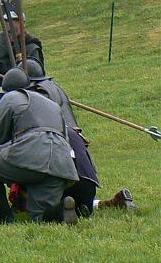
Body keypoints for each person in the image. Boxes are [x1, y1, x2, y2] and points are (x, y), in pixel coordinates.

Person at [25, 58, 136, 213]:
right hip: (87, 179)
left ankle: (63, 208)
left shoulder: (37, 94)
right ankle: (106, 203)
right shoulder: (55, 88)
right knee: (84, 199)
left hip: (64, 173)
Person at [0, 69, 79, 224]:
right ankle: (61, 211)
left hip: (32, 154)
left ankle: (6, 218)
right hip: (61, 164)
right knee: (39, 218)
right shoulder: (52, 105)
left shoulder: (10, 97)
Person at [0, 8, 44, 91]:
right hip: (1, 82)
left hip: (23, 86)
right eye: (6, 21)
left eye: (15, 21)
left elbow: (35, 72)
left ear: (22, 23)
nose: (9, 24)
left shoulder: (31, 45)